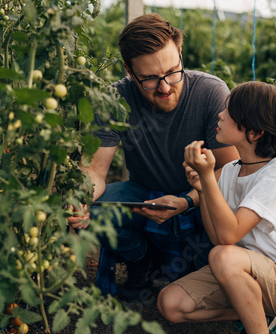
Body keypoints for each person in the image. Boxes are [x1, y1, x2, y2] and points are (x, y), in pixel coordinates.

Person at [67, 13, 239, 301]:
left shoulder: (211, 93)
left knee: (220, 238)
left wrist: (187, 200)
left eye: (173, 71)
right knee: (94, 213)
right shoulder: (115, 100)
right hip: (143, 196)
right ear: (129, 71)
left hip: (200, 200)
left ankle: (194, 270)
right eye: (149, 78)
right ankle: (140, 258)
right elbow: (96, 170)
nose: (165, 87)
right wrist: (81, 199)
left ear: (181, 55)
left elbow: (231, 170)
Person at [157, 81, 276, 333]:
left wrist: (208, 177)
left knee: (222, 257)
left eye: (229, 111)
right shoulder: (231, 170)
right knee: (170, 304)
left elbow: (230, 237)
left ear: (254, 133)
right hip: (238, 271)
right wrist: (201, 188)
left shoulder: (275, 177)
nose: (220, 114)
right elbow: (218, 237)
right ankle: (255, 313)